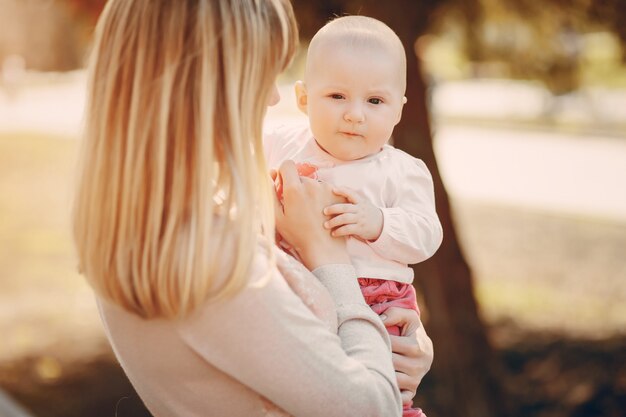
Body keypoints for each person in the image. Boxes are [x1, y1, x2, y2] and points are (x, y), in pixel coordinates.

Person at [72, 1, 433, 417]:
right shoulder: (211, 260)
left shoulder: (154, 225)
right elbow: (372, 408)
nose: (273, 97)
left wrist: (394, 340)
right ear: (206, 85)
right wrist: (330, 259)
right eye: (261, 74)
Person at [264, 16, 443, 417]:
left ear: (398, 109)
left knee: (386, 385)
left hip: (378, 296)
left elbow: (427, 233)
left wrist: (378, 222)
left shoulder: (402, 171)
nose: (355, 115)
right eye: (337, 97)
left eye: (375, 101)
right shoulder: (280, 144)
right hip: (299, 287)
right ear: (304, 99)